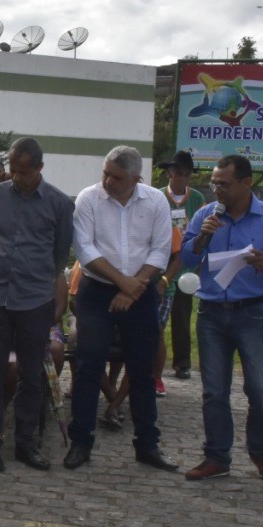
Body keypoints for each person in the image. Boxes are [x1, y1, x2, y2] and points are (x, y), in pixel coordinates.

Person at [179, 155, 263, 483]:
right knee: (214, 390)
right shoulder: (206, 214)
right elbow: (187, 256)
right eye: (214, 183)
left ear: (247, 183)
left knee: (259, 389)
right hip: (211, 313)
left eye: (224, 184)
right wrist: (202, 236)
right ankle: (216, 456)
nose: (217, 189)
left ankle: (262, 454)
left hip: (252, 313)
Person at [65, 145, 177, 472]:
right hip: (96, 289)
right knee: (88, 366)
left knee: (142, 369)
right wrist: (121, 282)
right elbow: (84, 249)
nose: (107, 181)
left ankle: (147, 445)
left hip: (139, 291)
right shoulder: (88, 198)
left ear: (135, 178)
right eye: (105, 173)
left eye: (115, 177)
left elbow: (159, 249)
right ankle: (80, 443)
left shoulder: (155, 200)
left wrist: (132, 287)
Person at [0, 137, 74, 473]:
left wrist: (40, 280)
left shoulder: (60, 204)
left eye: (22, 172)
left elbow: (60, 255)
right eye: (12, 170)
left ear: (39, 169)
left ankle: (26, 443)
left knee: (32, 375)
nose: (14, 177)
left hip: (35, 299)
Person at [159, 150, 206, 381]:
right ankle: (152, 360)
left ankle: (182, 363)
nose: (182, 179)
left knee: (182, 316)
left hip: (185, 265)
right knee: (157, 318)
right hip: (160, 263)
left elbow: (203, 233)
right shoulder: (157, 197)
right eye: (178, 173)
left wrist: (199, 265)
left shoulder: (196, 199)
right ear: (169, 173)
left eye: (187, 175)